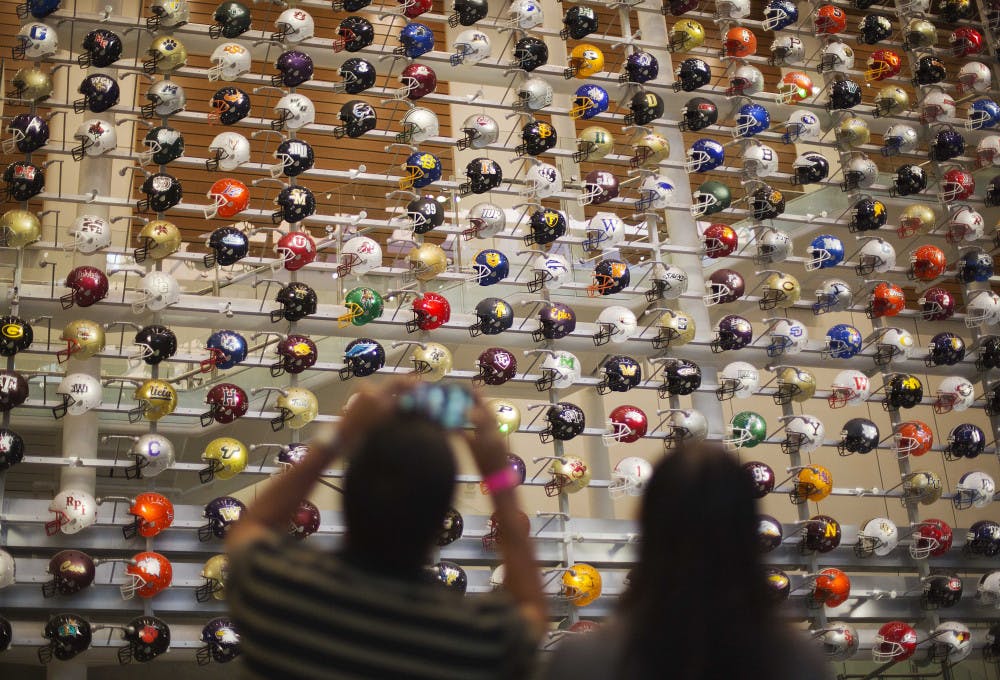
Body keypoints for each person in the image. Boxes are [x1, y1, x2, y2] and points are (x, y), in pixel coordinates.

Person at [226, 379, 546, 679]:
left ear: (348, 496)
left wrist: (339, 435)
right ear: (439, 520)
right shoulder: (476, 640)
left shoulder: (277, 589)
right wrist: (497, 474)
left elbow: (252, 527)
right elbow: (531, 612)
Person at [543, 442, 831, 680]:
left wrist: (499, 480)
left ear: (648, 523)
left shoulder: (587, 660)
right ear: (746, 530)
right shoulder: (799, 662)